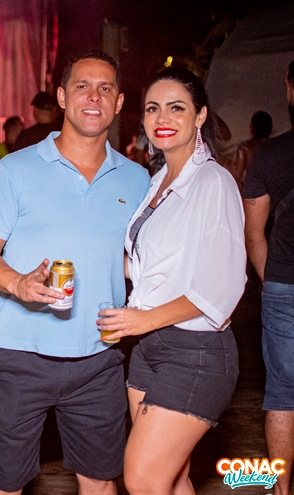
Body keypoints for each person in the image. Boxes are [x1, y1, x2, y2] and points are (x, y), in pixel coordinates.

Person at [0, 51, 149, 495]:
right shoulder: (14, 169)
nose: (94, 97)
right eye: (83, 86)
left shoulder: (137, 180)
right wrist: (18, 283)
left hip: (99, 357)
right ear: (63, 98)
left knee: (101, 483)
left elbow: (137, 260)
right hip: (20, 354)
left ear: (119, 102)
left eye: (105, 88)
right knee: (5, 485)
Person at [101, 68, 246, 495]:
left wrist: (143, 320)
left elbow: (221, 287)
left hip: (195, 352)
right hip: (149, 349)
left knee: (143, 480)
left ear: (200, 116)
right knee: (173, 478)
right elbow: (149, 268)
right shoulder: (157, 182)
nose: (162, 118)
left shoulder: (213, 182)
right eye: (152, 108)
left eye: (176, 107)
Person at [243, 59, 294, 495]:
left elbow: (253, 232)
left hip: (283, 284)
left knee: (282, 393)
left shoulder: (269, 155)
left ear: (289, 90)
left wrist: (269, 281)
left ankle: (281, 490)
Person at [231, 110, 273, 189]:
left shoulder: (244, 148)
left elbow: (237, 175)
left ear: (251, 127)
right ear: (270, 130)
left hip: (253, 190)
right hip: (271, 189)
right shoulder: (274, 147)